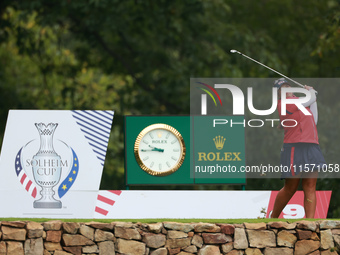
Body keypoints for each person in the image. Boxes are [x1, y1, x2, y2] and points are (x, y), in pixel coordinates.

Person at [270, 78, 326, 218]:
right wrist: (311, 92)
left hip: (312, 146)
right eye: (282, 88)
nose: (286, 89)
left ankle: (310, 223)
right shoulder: (284, 103)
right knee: (291, 188)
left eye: (287, 86)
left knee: (310, 186)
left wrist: (312, 97)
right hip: (294, 147)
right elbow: (310, 98)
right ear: (279, 93)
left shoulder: (301, 102)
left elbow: (314, 119)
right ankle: (272, 218)